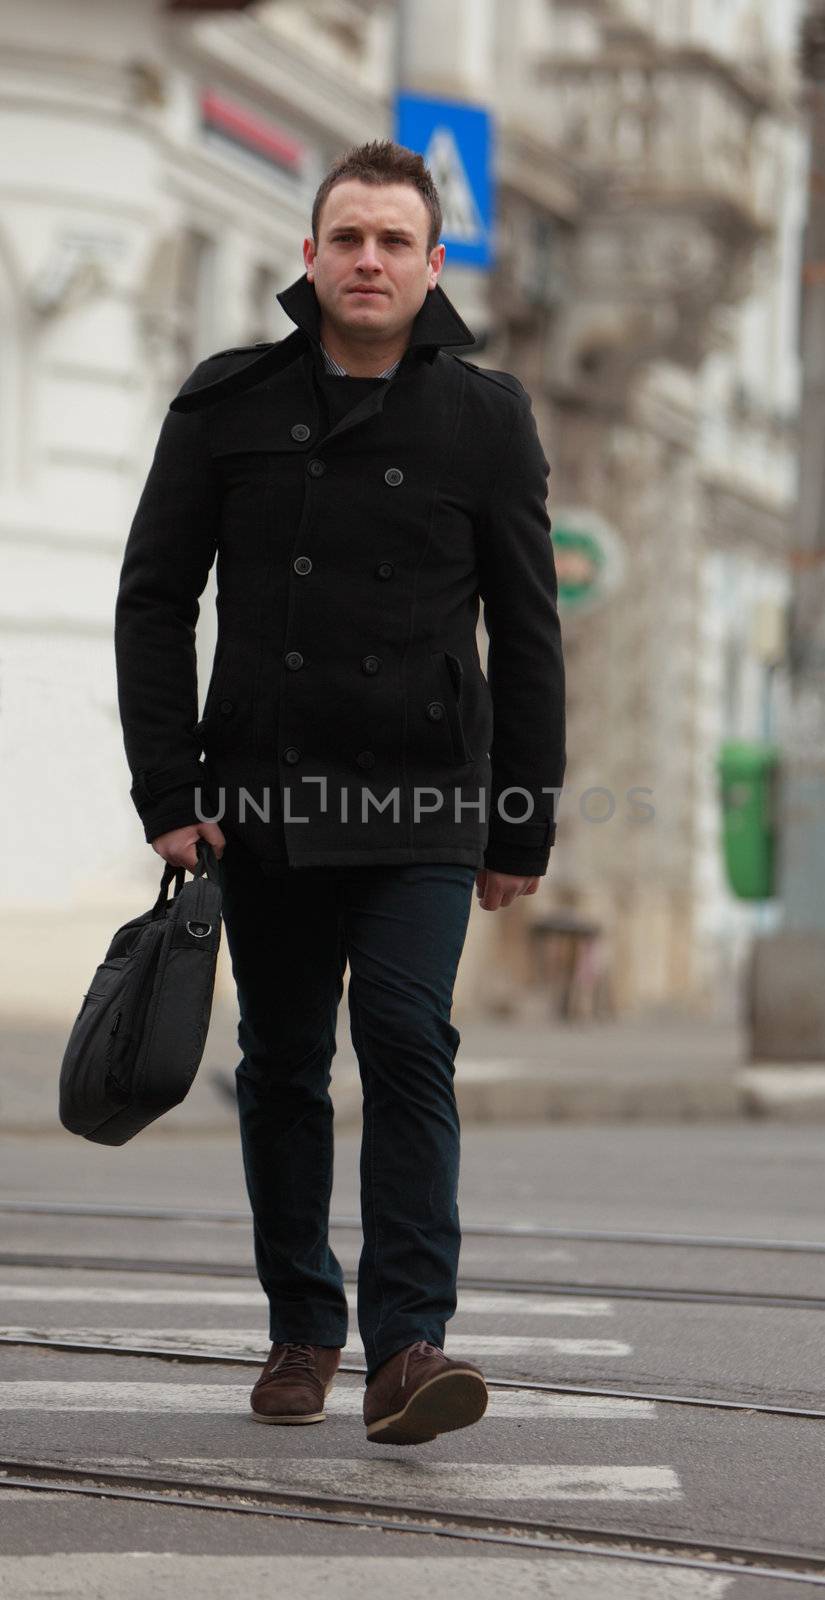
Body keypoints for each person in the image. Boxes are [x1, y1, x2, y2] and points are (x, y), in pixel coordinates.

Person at [114, 139, 566, 1446]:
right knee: (282, 1063)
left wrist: (519, 822)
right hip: (264, 788)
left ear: (433, 267)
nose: (369, 259)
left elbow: (527, 634)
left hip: (428, 795)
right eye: (348, 237)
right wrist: (166, 789)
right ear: (308, 256)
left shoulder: (487, 419)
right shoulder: (226, 402)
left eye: (394, 241)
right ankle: (303, 1329)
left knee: (410, 1041)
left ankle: (411, 1345)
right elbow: (154, 600)